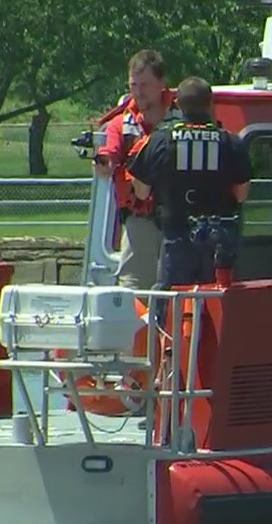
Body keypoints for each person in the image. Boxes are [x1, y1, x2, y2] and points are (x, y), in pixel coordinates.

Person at [125, 77, 251, 324]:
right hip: (219, 240)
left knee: (172, 301)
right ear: (210, 104)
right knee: (217, 302)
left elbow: (140, 191)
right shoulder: (231, 142)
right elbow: (242, 194)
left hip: (177, 235)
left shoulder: (161, 139)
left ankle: (169, 355)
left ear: (178, 105)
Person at [93, 49, 182, 290]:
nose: (138, 91)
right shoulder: (120, 125)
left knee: (180, 292)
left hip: (180, 219)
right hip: (139, 222)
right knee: (134, 291)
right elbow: (109, 154)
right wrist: (104, 163)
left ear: (162, 84)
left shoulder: (183, 119)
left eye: (145, 84)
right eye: (134, 84)